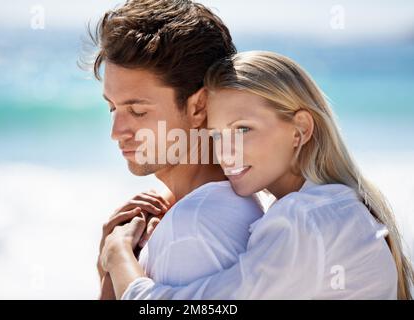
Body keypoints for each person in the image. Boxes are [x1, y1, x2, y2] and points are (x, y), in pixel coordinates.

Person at [101, 51, 414, 299]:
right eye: (218, 135)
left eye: (243, 130)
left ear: (301, 129)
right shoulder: (333, 206)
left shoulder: (305, 220)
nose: (227, 152)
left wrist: (117, 256)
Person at [90, 0, 265, 300]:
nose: (116, 132)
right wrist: (108, 270)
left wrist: (115, 260)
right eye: (112, 108)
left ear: (198, 106)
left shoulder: (191, 227)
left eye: (137, 111)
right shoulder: (228, 200)